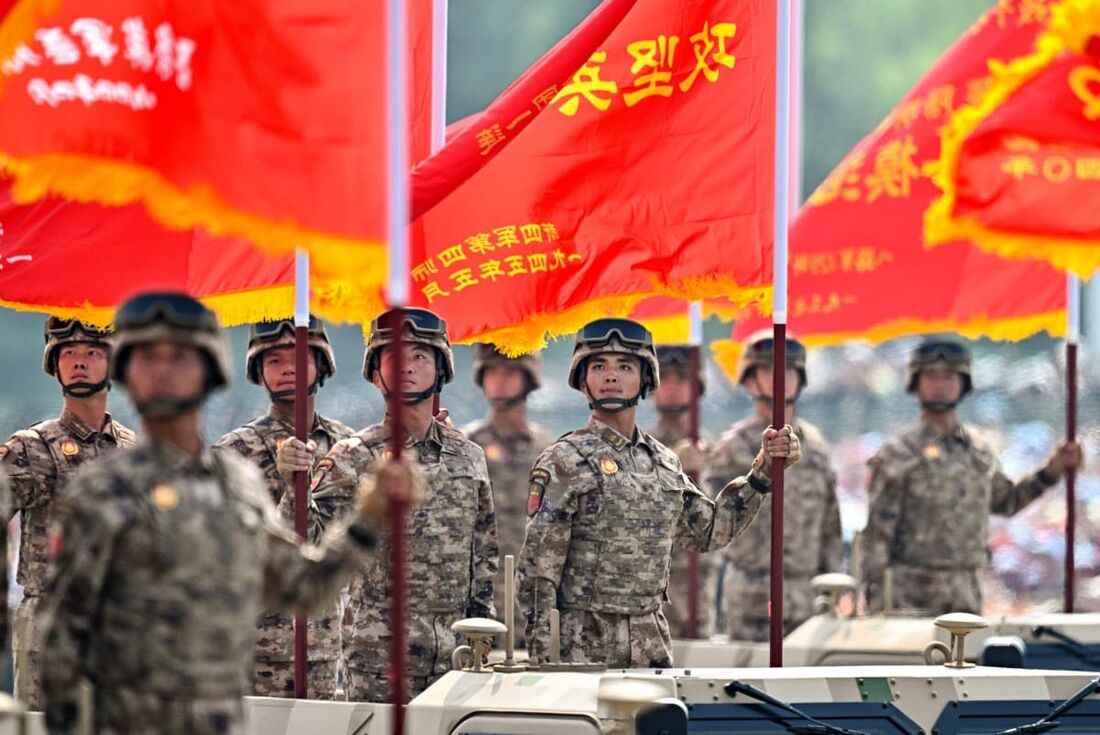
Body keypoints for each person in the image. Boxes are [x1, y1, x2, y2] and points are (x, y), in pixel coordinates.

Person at [38, 292, 413, 734]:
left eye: (179, 357)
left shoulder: (236, 485)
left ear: (210, 370)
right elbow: (63, 643)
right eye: (147, 357)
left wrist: (368, 518)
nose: (162, 371)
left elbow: (303, 586)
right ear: (126, 374)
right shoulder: (99, 491)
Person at [517, 318, 800, 667]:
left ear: (645, 379)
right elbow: (537, 573)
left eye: (625, 366)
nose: (611, 376)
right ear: (582, 379)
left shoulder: (663, 462)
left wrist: (761, 474)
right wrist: (546, 661)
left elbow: (709, 532)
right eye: (599, 366)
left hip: (650, 647)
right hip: (582, 649)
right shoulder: (564, 461)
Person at [285, 307, 498, 702]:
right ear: (376, 372)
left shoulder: (468, 456)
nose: (407, 367)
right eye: (394, 356)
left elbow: (484, 555)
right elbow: (306, 543)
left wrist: (483, 632)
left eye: (420, 356)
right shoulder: (353, 455)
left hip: (457, 657)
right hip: (379, 659)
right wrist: (293, 485)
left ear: (441, 368)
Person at [859, 336, 1082, 614]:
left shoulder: (977, 451)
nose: (940, 384)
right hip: (909, 599)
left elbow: (1007, 501)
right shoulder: (897, 454)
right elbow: (877, 538)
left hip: (966, 595)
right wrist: (877, 603)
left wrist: (1051, 471)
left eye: (949, 376)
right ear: (916, 382)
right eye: (931, 376)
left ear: (963, 383)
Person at [0, 318, 136, 709]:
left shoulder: (133, 451)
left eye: (93, 352)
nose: (79, 361)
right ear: (54, 365)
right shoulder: (31, 448)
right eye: (69, 353)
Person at [215, 316, 354, 698]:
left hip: (324, 648)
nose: (287, 369)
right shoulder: (233, 452)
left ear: (320, 364)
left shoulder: (347, 447)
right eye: (274, 360)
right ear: (258, 372)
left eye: (298, 357)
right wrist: (291, 487)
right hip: (254, 652)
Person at [703, 331, 842, 640]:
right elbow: (710, 526)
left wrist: (832, 584)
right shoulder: (733, 448)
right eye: (768, 369)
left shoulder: (816, 447)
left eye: (789, 369)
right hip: (751, 598)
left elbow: (830, 527)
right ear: (750, 381)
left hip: (808, 597)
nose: (780, 377)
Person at [462, 344, 551, 638]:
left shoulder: (547, 449)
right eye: (492, 372)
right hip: (480, 600)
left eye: (510, 372)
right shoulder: (466, 447)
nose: (499, 381)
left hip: (531, 598)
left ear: (528, 378)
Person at [645, 345, 721, 639]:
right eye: (665, 378)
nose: (673, 388)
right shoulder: (638, 449)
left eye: (682, 378)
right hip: (652, 594)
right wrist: (672, 464)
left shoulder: (716, 452)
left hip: (700, 593)